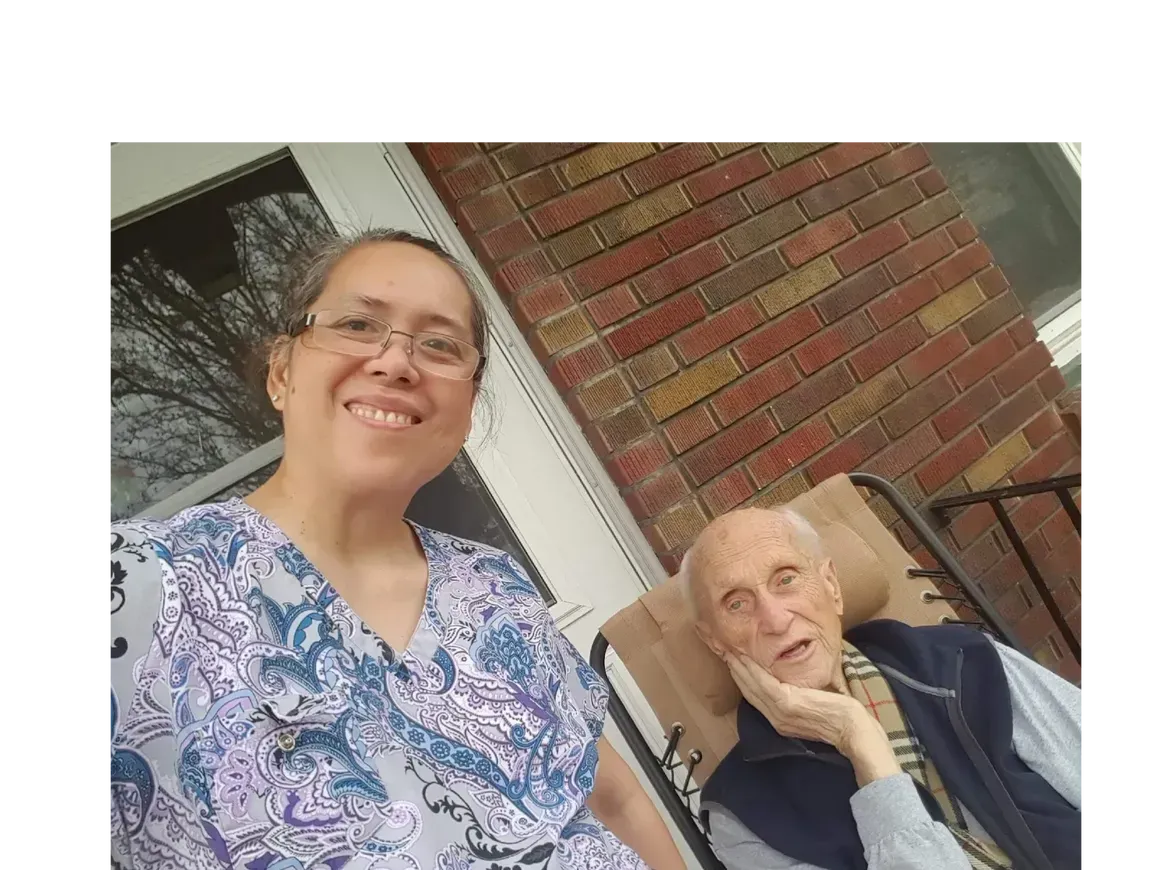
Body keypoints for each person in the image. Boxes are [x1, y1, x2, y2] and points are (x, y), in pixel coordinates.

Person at [104, 228, 686, 870]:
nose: (396, 362)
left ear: (465, 410)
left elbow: (610, 799)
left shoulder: (494, 587)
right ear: (281, 373)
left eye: (439, 344)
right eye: (357, 324)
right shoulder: (132, 589)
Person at [679, 506, 1086, 870]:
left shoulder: (963, 658)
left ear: (832, 586)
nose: (774, 619)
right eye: (736, 603)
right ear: (715, 641)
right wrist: (857, 737)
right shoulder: (741, 816)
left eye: (786, 579)